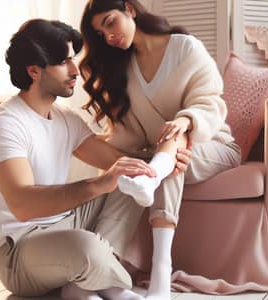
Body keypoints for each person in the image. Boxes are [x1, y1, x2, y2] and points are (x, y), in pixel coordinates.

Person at [0, 19, 191, 300]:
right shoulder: (5, 123)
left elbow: (117, 161)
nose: (75, 70)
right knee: (86, 248)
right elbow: (23, 205)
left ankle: (81, 286)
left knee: (134, 175)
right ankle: (113, 286)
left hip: (67, 227)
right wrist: (99, 183)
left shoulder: (65, 117)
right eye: (64, 62)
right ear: (34, 71)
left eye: (73, 59)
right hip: (19, 251)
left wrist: (164, 161)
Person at [79, 1, 242, 300]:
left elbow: (211, 102)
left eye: (110, 22)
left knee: (173, 144)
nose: (108, 36)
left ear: (129, 8)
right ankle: (100, 265)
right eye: (101, 33)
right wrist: (102, 155)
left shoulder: (185, 48)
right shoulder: (123, 68)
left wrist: (185, 120)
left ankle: (161, 272)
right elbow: (130, 134)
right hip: (168, 157)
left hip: (214, 145)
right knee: (150, 164)